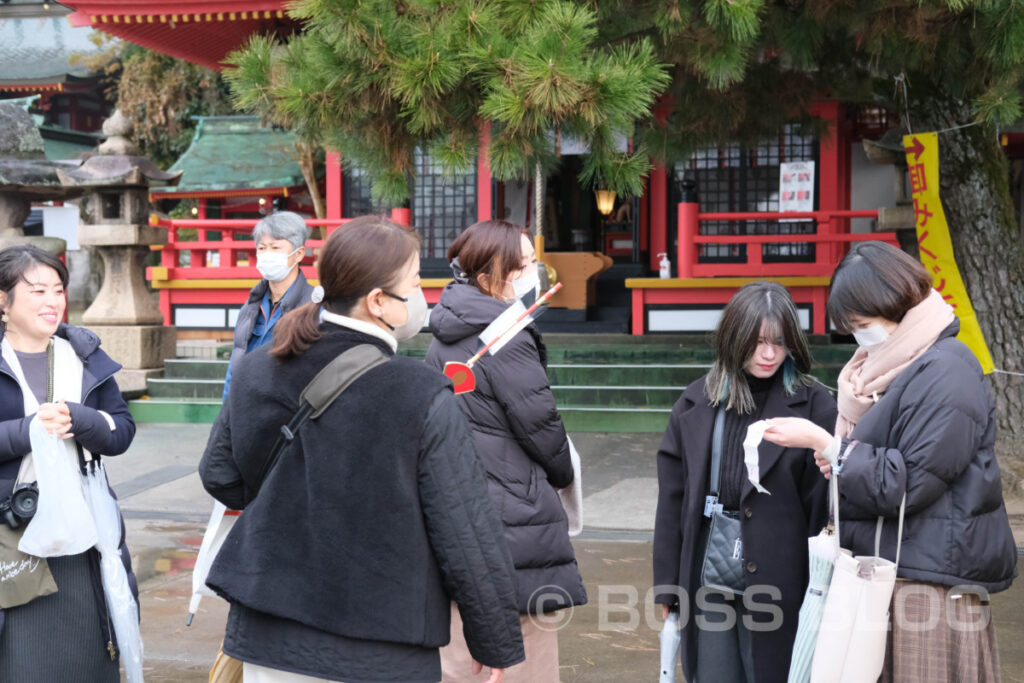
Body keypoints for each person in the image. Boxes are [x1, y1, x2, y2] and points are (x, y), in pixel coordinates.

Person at [199, 215, 525, 683]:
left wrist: (292, 505)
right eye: (414, 284)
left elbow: (220, 476)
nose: (421, 298)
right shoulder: (422, 392)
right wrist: (494, 640)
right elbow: (465, 528)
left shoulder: (255, 370)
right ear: (378, 302)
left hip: (268, 634)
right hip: (380, 643)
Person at [761, 242, 1017, 682]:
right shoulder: (892, 366)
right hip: (892, 570)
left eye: (861, 324)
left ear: (892, 304)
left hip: (930, 581)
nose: (857, 336)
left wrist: (831, 448)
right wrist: (839, 459)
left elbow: (912, 482)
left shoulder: (947, 370)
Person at [652, 281, 837, 683]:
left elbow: (823, 505)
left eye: (780, 342)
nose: (769, 354)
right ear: (733, 338)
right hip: (707, 570)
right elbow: (673, 501)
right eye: (756, 342)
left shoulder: (815, 405)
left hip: (783, 573)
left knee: (774, 671)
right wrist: (667, 586)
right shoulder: (697, 402)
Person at [426, 220, 586, 683]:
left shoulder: (446, 329)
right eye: (526, 264)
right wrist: (561, 474)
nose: (534, 270)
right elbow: (541, 425)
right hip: (514, 508)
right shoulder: (506, 333)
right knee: (526, 652)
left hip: (458, 498)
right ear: (490, 276)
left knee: (457, 651)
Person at [0, 244, 137, 681]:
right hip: (12, 533)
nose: (51, 301)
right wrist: (29, 429)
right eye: (36, 291)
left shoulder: (83, 355)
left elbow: (121, 430)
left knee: (86, 652)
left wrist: (80, 419)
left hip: (83, 529)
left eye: (58, 290)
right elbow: (24, 433)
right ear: (2, 302)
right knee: (22, 657)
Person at [222, 211, 314, 399]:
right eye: (262, 248)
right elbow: (234, 368)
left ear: (299, 254)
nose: (267, 254)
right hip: (245, 409)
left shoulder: (314, 308)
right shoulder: (249, 308)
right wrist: (226, 415)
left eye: (275, 247)